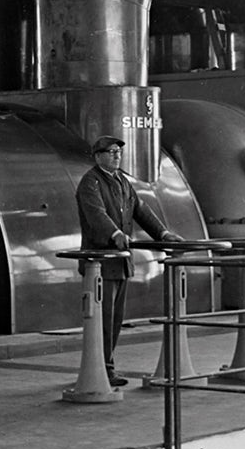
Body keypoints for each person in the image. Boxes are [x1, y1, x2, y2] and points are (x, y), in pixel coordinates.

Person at [75, 134, 183, 387]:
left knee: (114, 320)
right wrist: (115, 234)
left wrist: (163, 234)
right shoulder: (90, 182)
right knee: (103, 321)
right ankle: (102, 370)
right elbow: (96, 214)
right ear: (98, 156)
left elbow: (141, 210)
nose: (117, 155)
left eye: (118, 152)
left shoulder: (122, 181)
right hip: (100, 264)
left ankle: (105, 368)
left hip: (120, 262)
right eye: (111, 152)